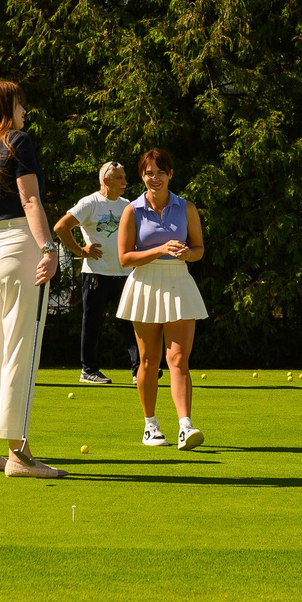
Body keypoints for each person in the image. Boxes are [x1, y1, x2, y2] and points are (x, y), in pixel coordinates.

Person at [0, 80, 68, 478]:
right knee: (20, 346)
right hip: (19, 243)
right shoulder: (16, 140)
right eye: (21, 102)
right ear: (8, 104)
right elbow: (31, 199)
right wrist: (49, 249)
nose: (25, 109)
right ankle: (19, 454)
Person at [115, 149, 208, 450]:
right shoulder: (132, 210)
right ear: (141, 176)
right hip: (145, 284)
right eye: (148, 173)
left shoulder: (186, 207)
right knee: (148, 361)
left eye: (160, 172)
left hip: (179, 282)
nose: (154, 178)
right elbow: (124, 258)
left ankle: (185, 426)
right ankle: (150, 426)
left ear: (170, 174)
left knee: (179, 359)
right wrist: (159, 250)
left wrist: (186, 253)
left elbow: (199, 249)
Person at [55, 162, 140, 387]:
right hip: (96, 274)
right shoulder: (90, 203)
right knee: (92, 324)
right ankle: (89, 370)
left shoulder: (127, 205)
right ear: (106, 180)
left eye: (124, 176)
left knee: (132, 322)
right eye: (120, 178)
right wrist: (80, 251)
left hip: (124, 274)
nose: (125, 182)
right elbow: (61, 227)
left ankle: (139, 370)